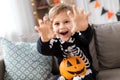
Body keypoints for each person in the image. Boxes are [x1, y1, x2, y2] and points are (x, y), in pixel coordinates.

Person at [35, 3, 96, 80]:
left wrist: (84, 28)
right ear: (52, 27)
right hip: (66, 74)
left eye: (66, 22)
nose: (62, 26)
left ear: (74, 22)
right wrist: (44, 40)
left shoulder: (78, 36)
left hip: (85, 71)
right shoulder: (55, 42)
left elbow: (86, 37)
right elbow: (44, 50)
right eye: (57, 23)